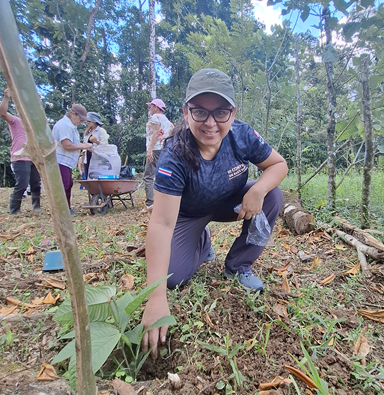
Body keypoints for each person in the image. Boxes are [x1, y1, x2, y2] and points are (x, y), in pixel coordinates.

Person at [141, 68, 288, 358]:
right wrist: (154, 295)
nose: (210, 123)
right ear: (186, 112)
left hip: (230, 202)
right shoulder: (174, 154)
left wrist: (256, 190)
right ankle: (202, 241)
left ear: (232, 114)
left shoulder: (242, 135)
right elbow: (160, 222)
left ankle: (238, 266)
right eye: (199, 112)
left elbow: (278, 165)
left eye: (220, 112)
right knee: (172, 278)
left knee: (273, 194)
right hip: (189, 214)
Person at [0, 88, 41, 215]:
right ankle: (14, 209)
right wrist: (6, 97)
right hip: (20, 158)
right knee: (22, 184)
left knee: (36, 184)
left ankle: (37, 207)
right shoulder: (16, 121)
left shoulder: (35, 125)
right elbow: (2, 113)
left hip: (33, 157)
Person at [52, 104, 93, 214]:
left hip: (66, 162)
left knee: (69, 184)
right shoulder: (64, 125)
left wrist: (86, 145)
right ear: (73, 114)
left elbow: (74, 144)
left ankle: (66, 208)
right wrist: (84, 146)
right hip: (60, 161)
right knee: (64, 185)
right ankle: (62, 210)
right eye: (81, 119)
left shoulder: (71, 127)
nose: (81, 122)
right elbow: (67, 145)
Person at [143, 98, 173, 211]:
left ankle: (150, 203)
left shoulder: (155, 117)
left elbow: (155, 134)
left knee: (148, 176)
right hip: (165, 150)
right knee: (164, 174)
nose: (149, 109)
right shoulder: (168, 122)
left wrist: (149, 150)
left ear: (156, 107)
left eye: (150, 107)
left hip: (155, 149)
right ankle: (166, 201)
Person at [78, 111, 109, 178]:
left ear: (94, 121)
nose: (87, 122)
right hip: (87, 158)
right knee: (88, 178)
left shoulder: (101, 131)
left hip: (98, 159)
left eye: (89, 121)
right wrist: (83, 159)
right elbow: (84, 145)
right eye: (86, 121)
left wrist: (96, 142)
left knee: (96, 178)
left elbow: (105, 145)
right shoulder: (87, 133)